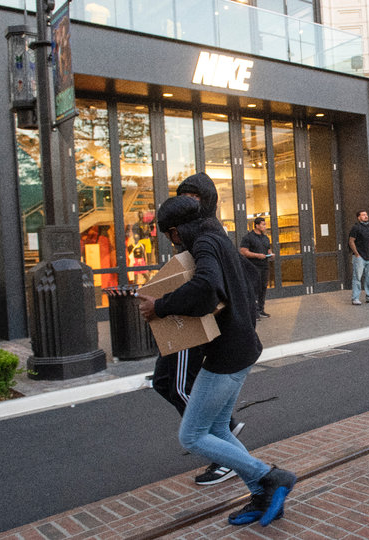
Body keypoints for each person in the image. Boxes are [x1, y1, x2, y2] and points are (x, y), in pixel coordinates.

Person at [138, 196, 296, 527]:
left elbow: (205, 287)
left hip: (227, 354)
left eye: (169, 235)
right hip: (240, 347)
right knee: (217, 428)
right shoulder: (217, 236)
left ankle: (270, 476)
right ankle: (263, 493)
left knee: (192, 435)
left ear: (176, 231)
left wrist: (161, 306)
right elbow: (251, 276)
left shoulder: (205, 244)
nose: (171, 242)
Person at [151, 172, 246, 486]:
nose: (187, 205)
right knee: (166, 382)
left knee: (180, 393)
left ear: (207, 202)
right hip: (200, 326)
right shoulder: (201, 236)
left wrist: (159, 305)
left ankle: (225, 450)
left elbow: (207, 288)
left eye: (193, 199)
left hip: (199, 326)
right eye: (183, 198)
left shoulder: (206, 237)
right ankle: (256, 471)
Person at [240, 217, 274, 318]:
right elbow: (243, 251)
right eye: (263, 224)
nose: (265, 226)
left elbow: (268, 249)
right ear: (257, 225)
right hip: (253, 266)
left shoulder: (265, 238)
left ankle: (261, 309)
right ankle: (253, 312)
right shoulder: (248, 237)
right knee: (254, 288)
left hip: (264, 266)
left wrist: (270, 254)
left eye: (265, 224)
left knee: (263, 288)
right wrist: (257, 255)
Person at [348, 210, 369, 305]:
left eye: (366, 214)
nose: (366, 216)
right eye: (363, 215)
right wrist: (357, 254)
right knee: (357, 278)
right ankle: (355, 298)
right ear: (358, 217)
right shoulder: (356, 228)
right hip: (360, 257)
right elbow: (351, 241)